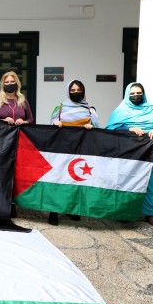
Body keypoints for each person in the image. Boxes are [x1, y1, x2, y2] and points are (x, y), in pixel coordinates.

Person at [106, 82, 153, 227]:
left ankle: (150, 213)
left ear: (143, 94)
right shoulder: (120, 111)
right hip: (130, 154)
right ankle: (126, 212)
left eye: (138, 93)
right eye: (132, 94)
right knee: (128, 181)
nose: (136, 96)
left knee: (151, 182)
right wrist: (130, 128)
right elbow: (111, 129)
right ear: (127, 95)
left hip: (151, 152)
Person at [47, 79, 99, 225]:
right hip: (62, 151)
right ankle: (53, 212)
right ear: (68, 92)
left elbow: (97, 129)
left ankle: (72, 210)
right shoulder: (60, 108)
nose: (76, 93)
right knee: (58, 179)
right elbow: (51, 126)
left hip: (81, 151)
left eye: (79, 90)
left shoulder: (90, 109)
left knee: (75, 179)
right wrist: (55, 124)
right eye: (73, 90)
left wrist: (91, 127)